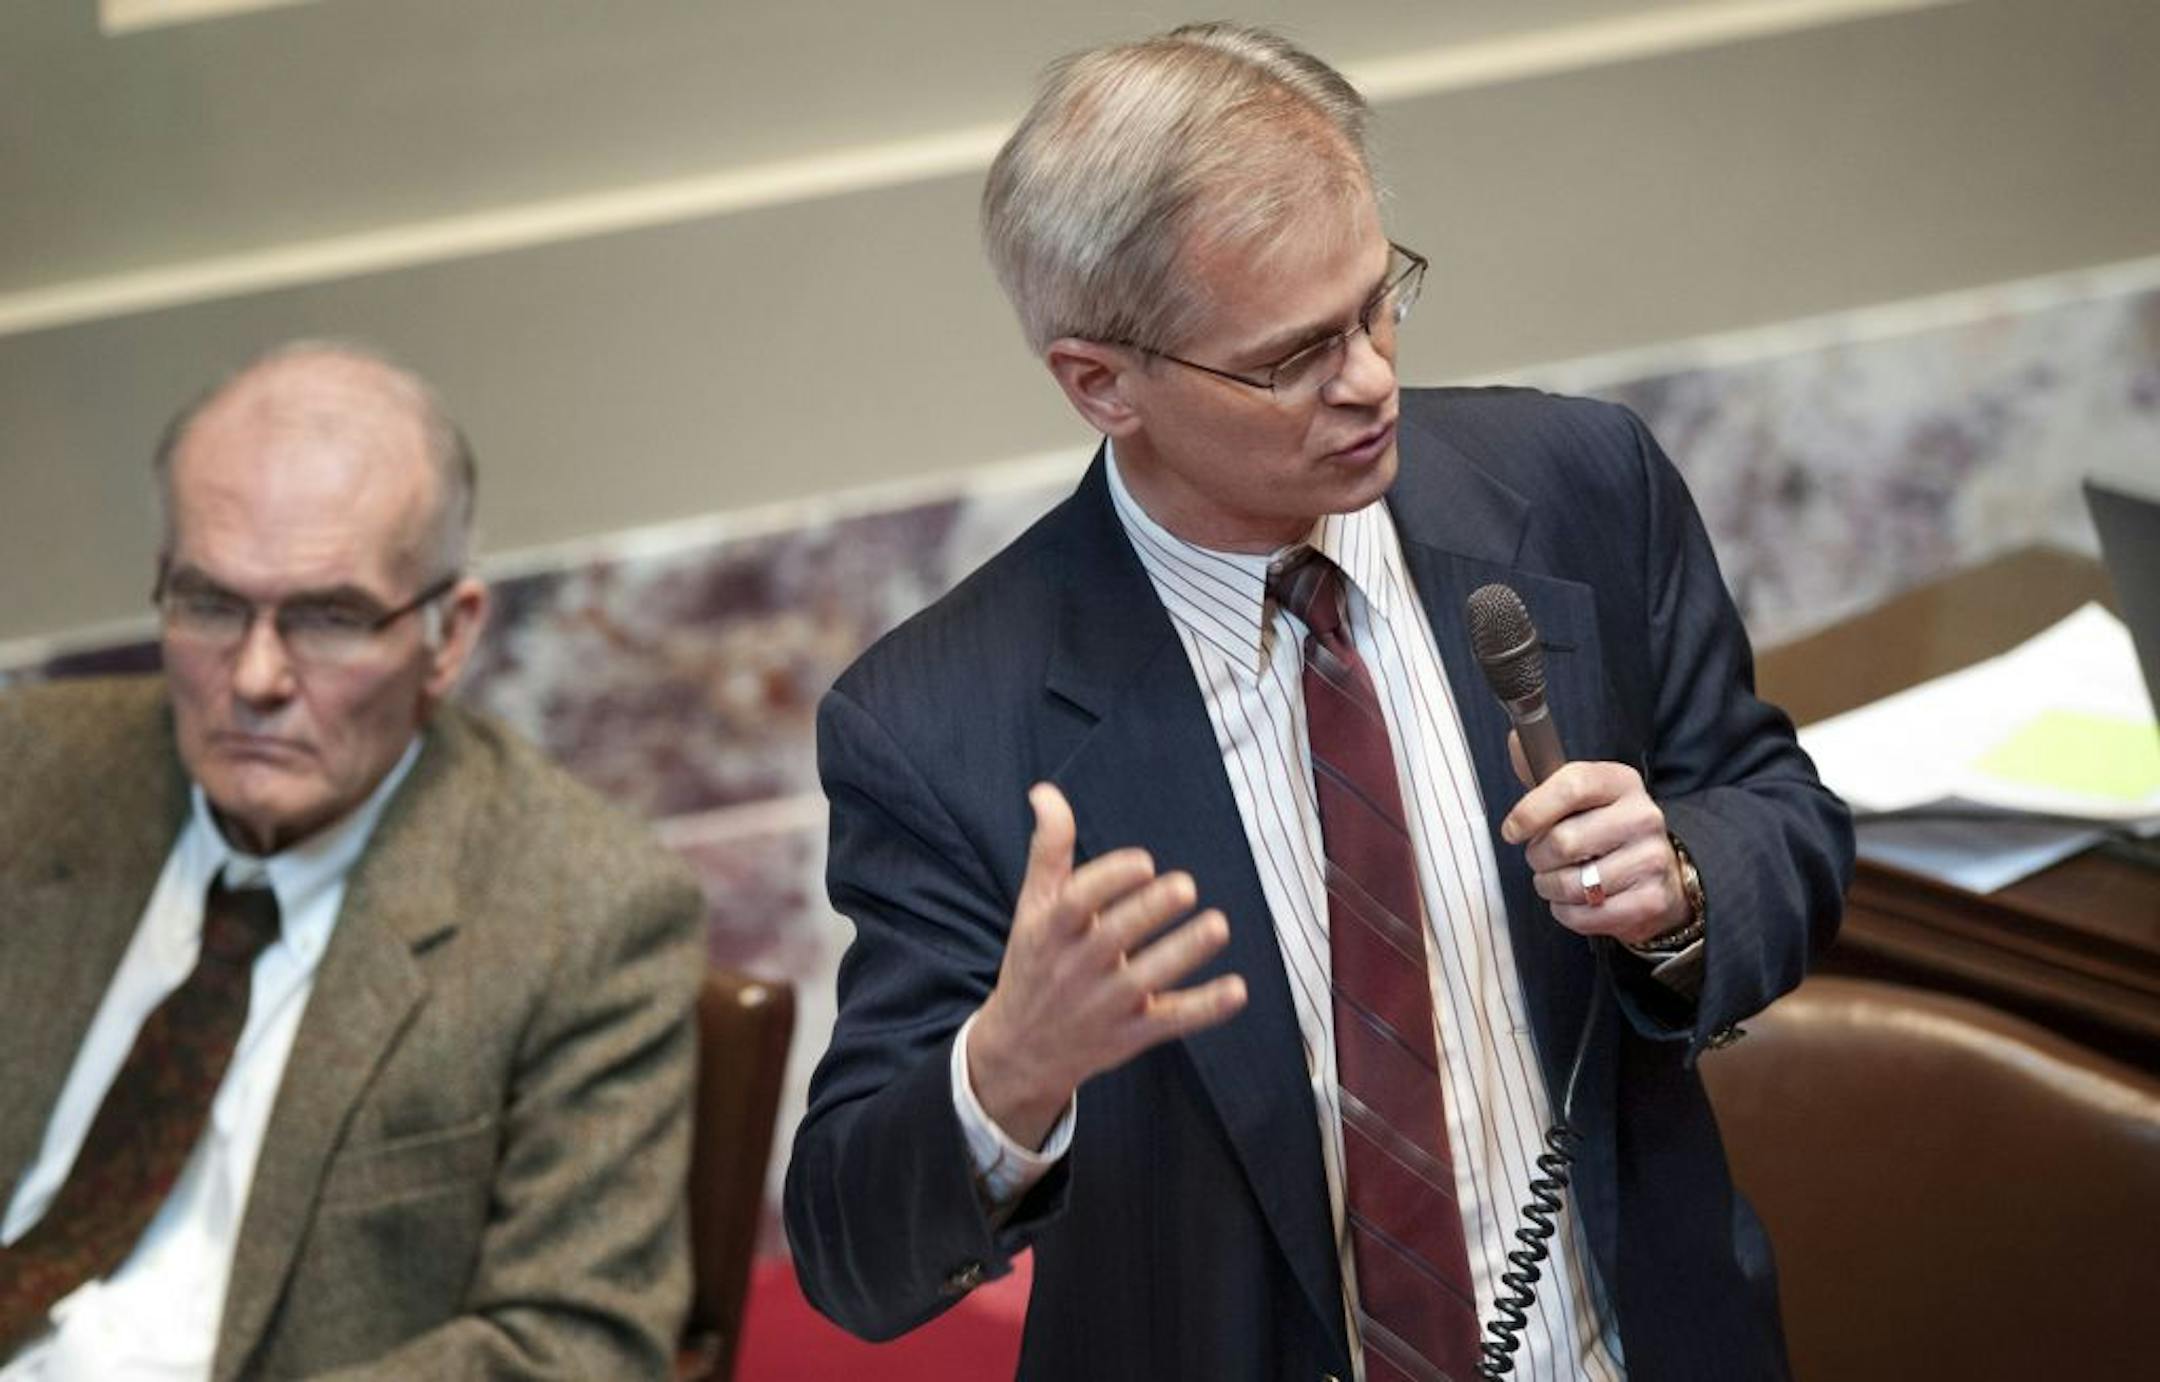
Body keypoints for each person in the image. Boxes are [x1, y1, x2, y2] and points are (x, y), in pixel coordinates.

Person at [786, 23, 1852, 1382]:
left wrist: (1685, 883)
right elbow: (850, 1256)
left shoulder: (1580, 485)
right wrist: (1008, 1070)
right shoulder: (939, 723)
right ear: (1101, 382)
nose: (1369, 378)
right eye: (1292, 356)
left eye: (1375, 302)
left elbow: (1785, 817)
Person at [0, 342, 705, 1379]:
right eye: (210, 604)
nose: (256, 677)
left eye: (328, 619)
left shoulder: (587, 911)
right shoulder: (29, 775)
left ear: (450, 635)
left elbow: (576, 1345)